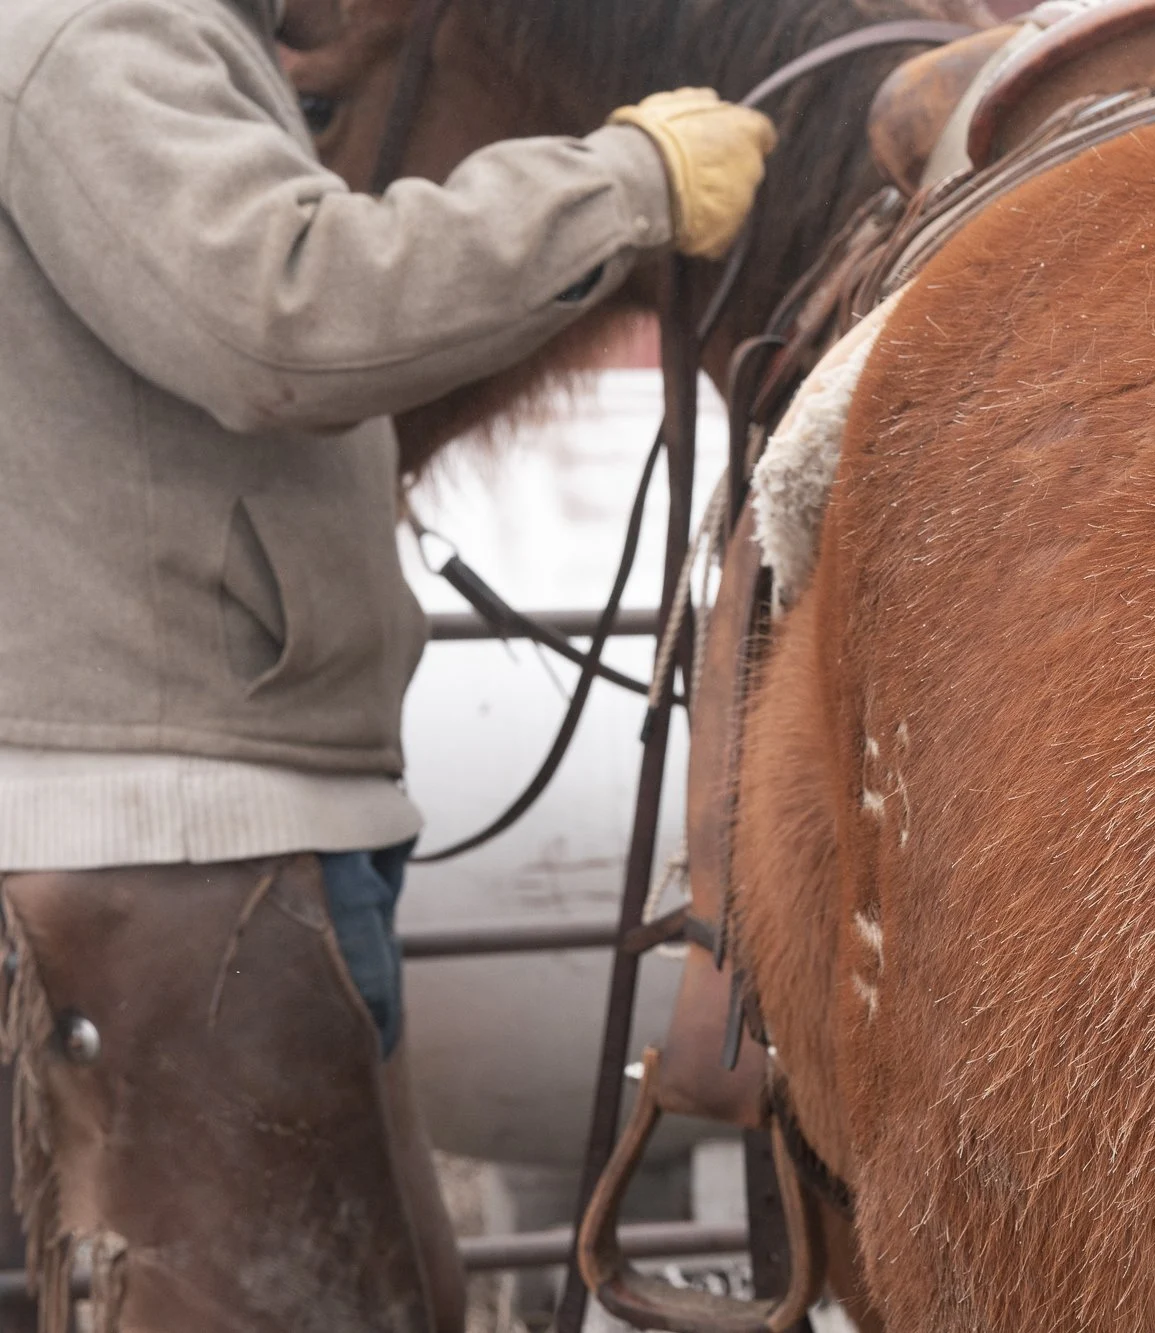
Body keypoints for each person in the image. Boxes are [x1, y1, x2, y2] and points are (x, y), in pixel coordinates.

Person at [0, 0, 775, 1328]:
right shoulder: (90, 32)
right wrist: (620, 186)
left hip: (234, 826)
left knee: (376, 1289)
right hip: (186, 846)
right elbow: (276, 312)